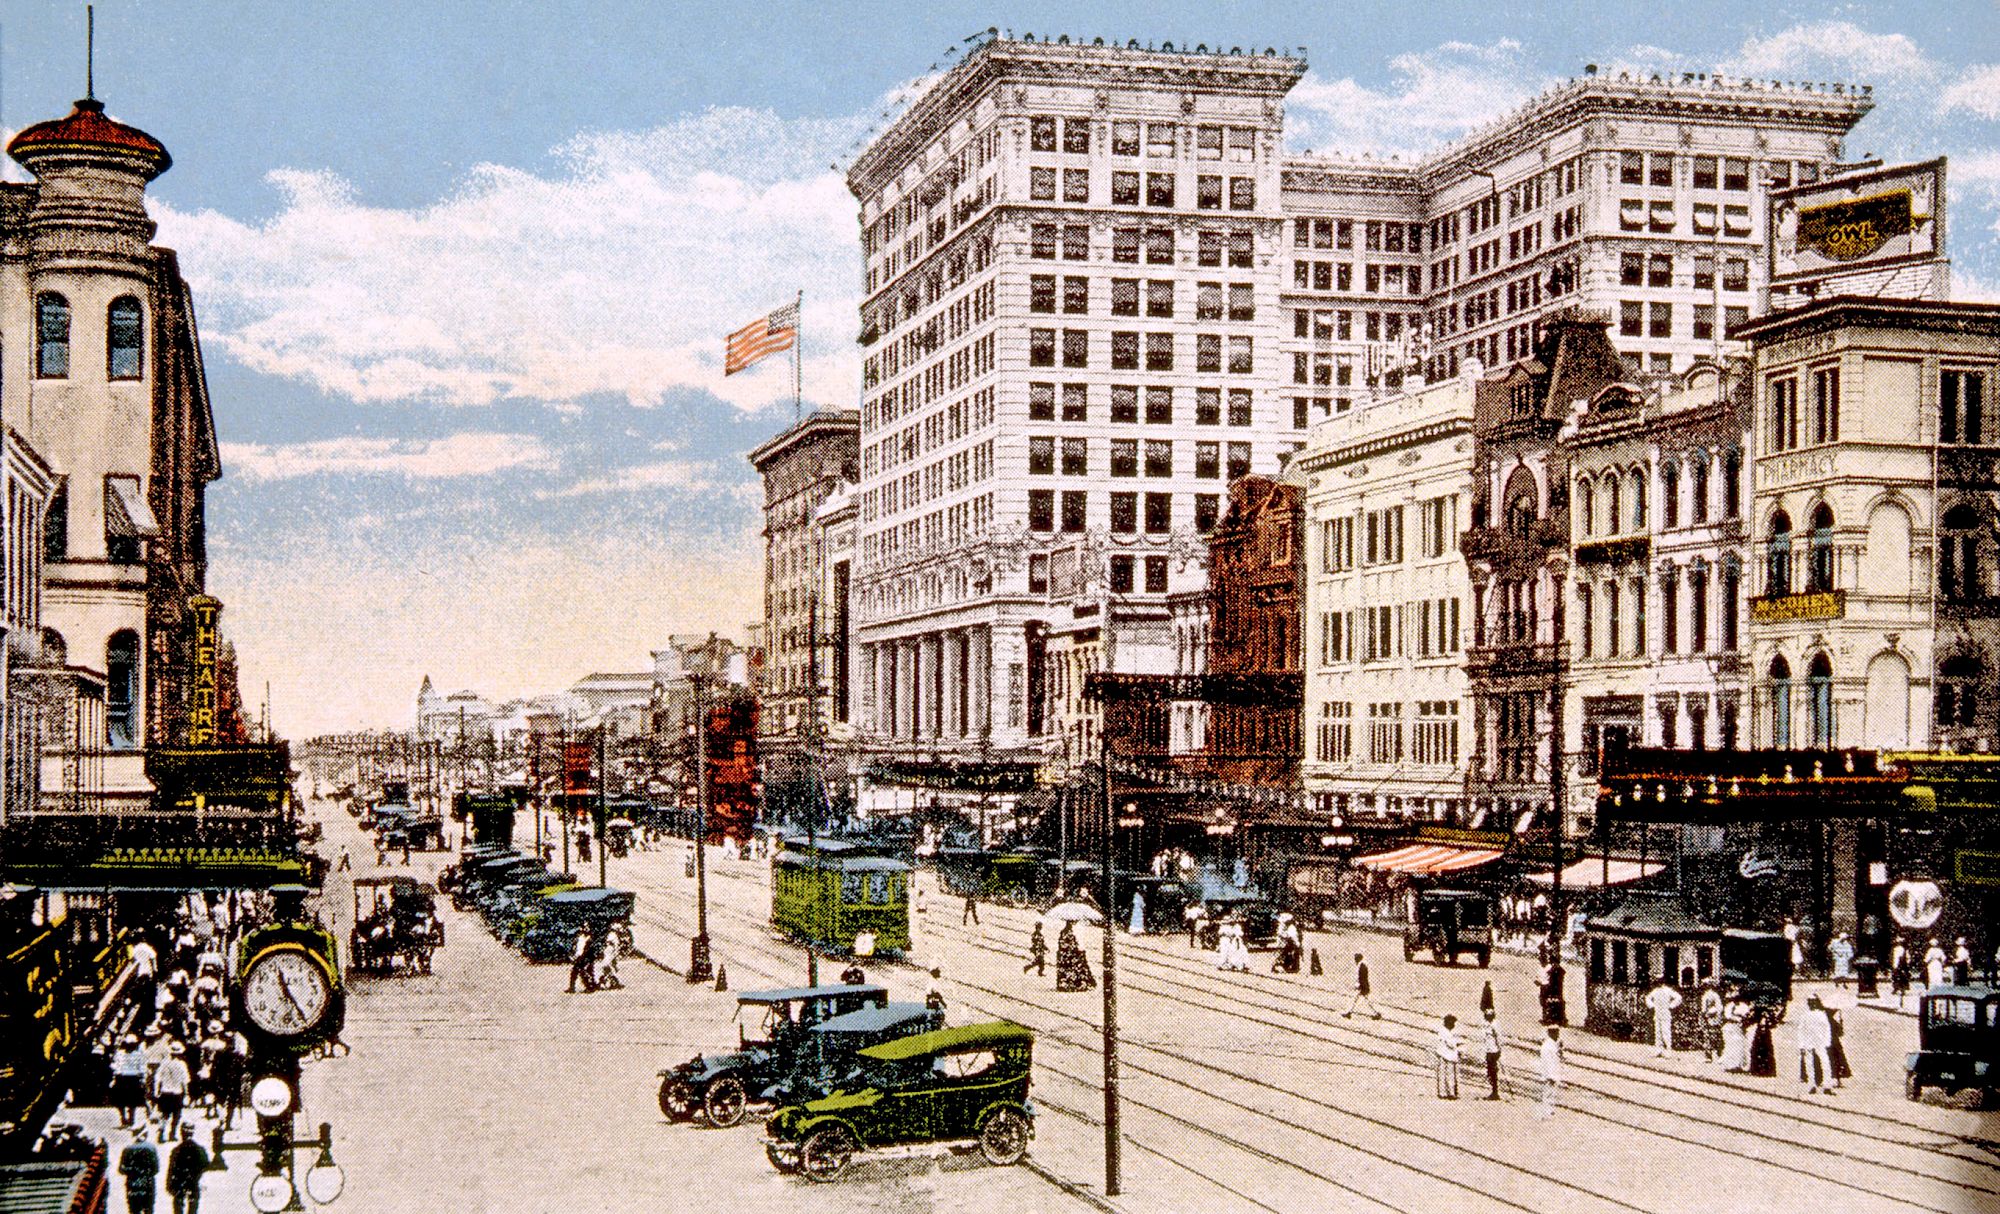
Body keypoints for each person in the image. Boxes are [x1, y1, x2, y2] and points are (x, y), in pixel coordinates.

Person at [152, 1042, 191, 1142]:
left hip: (165, 1092)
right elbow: (185, 1081)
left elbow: (157, 1078)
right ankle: (172, 1133)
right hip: (177, 1093)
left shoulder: (164, 1064)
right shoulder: (182, 1065)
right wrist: (187, 1094)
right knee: (176, 1115)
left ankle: (161, 1132)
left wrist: (156, 1091)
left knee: (164, 1115)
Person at [1797, 994, 1834, 1094]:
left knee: (1825, 1062)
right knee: (1809, 1064)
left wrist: (1827, 1042)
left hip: (1820, 1042)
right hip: (1808, 1042)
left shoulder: (1822, 1014)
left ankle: (1827, 1085)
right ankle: (1811, 1085)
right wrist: (1801, 1045)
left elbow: (1827, 1029)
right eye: (1810, 1002)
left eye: (1813, 1002)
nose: (1812, 1004)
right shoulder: (1805, 1015)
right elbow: (1801, 1030)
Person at [120, 1125, 160, 1214]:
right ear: (145, 1134)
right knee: (148, 1210)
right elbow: (156, 1169)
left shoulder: (127, 1149)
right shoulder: (151, 1148)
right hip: (147, 1185)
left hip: (133, 1186)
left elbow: (121, 1170)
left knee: (134, 1211)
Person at [165, 1135, 207, 1214]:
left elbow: (171, 1169)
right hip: (193, 1180)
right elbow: (205, 1164)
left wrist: (169, 1183)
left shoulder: (177, 1150)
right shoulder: (198, 1149)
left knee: (178, 1204)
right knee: (192, 1203)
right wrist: (196, 1174)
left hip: (179, 1181)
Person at [1645, 977, 1683, 1057]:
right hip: (1657, 1012)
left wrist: (1671, 1005)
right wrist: (1652, 1006)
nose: (1658, 983)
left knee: (1666, 1032)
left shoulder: (1668, 990)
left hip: (1665, 1013)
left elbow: (1678, 997)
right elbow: (1648, 998)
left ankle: (1668, 1050)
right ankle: (1659, 1050)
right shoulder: (1655, 991)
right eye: (1657, 981)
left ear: (1663, 982)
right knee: (1658, 1032)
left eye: (1660, 981)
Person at [1055, 921, 1094, 991]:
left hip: (1070, 954)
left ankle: (1075, 983)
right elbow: (1063, 944)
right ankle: (1070, 983)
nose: (1072, 925)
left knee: (1077, 966)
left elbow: (1073, 943)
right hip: (1066, 955)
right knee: (1072, 967)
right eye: (1071, 923)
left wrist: (1075, 946)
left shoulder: (1069, 933)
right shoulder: (1064, 932)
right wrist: (1071, 947)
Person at [1343, 953, 1382, 1019]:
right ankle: (1349, 1012)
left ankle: (1377, 1013)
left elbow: (1362, 978)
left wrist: (1359, 986)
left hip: (1363, 987)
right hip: (1364, 986)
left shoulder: (1361, 966)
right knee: (1358, 1000)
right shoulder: (1362, 965)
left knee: (1366, 1001)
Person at [1537, 1025, 1564, 1119]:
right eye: (1555, 1033)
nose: (1558, 1035)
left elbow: (1558, 1057)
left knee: (1551, 1091)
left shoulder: (1553, 1044)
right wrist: (1551, 1075)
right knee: (1547, 1092)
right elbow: (1547, 1061)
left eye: (1558, 1032)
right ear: (1550, 1033)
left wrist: (1560, 1049)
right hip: (1549, 1072)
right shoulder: (1547, 1046)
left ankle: (1550, 1109)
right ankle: (1546, 1111)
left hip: (1552, 1071)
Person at [1720, 989, 1750, 1072]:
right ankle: (1730, 1065)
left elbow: (1747, 1015)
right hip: (1731, 1027)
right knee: (1731, 1045)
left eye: (1737, 997)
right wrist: (1737, 1018)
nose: (1736, 999)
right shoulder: (1729, 1006)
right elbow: (1728, 1016)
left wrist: (1743, 1019)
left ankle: (1738, 1065)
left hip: (1739, 1028)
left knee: (1740, 1045)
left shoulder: (1743, 1006)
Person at [1479, 1008, 1504, 1100]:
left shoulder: (1494, 1025)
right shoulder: (1486, 1025)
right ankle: (1493, 1090)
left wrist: (1499, 1050)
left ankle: (1495, 1092)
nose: (1487, 1018)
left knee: (1493, 1072)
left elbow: (1499, 1038)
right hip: (1488, 1050)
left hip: (1494, 1051)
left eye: (1489, 1016)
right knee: (1489, 1071)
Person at [1434, 1014, 1462, 1099]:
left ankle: (1442, 1093)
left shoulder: (1442, 1031)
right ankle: (1451, 1093)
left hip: (1442, 1054)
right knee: (1450, 1074)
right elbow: (1451, 1044)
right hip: (1448, 1055)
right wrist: (1458, 1044)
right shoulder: (1447, 1032)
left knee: (1442, 1074)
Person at [1698, 980, 1725, 1063]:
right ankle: (1708, 1056)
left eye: (1705, 985)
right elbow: (1703, 1008)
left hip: (1713, 1018)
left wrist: (1711, 1013)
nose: (1703, 986)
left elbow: (1719, 1007)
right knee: (1707, 1037)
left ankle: (1720, 1055)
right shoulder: (1705, 995)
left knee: (1715, 1037)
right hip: (1706, 1018)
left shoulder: (1714, 995)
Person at [567, 924, 597, 994]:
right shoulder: (579, 937)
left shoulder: (590, 938)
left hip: (585, 958)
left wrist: (588, 959)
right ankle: (572, 987)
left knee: (583, 973)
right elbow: (574, 947)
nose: (586, 929)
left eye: (587, 927)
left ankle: (589, 987)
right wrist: (573, 955)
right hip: (578, 957)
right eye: (585, 927)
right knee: (575, 972)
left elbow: (590, 950)